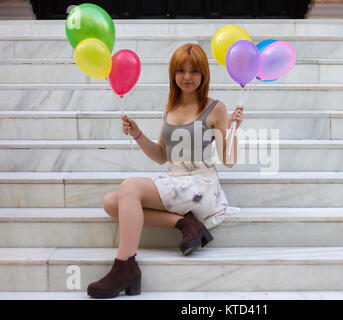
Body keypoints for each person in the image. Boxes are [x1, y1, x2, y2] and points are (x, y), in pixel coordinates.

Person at [87, 43, 244, 298]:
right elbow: (161, 156)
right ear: (173, 74)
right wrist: (137, 133)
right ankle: (185, 224)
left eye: (194, 71)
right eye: (180, 70)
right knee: (110, 203)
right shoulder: (170, 107)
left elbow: (229, 160)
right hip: (176, 180)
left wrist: (235, 129)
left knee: (130, 187)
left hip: (199, 186)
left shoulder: (215, 108)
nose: (187, 77)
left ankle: (125, 266)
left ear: (204, 74)